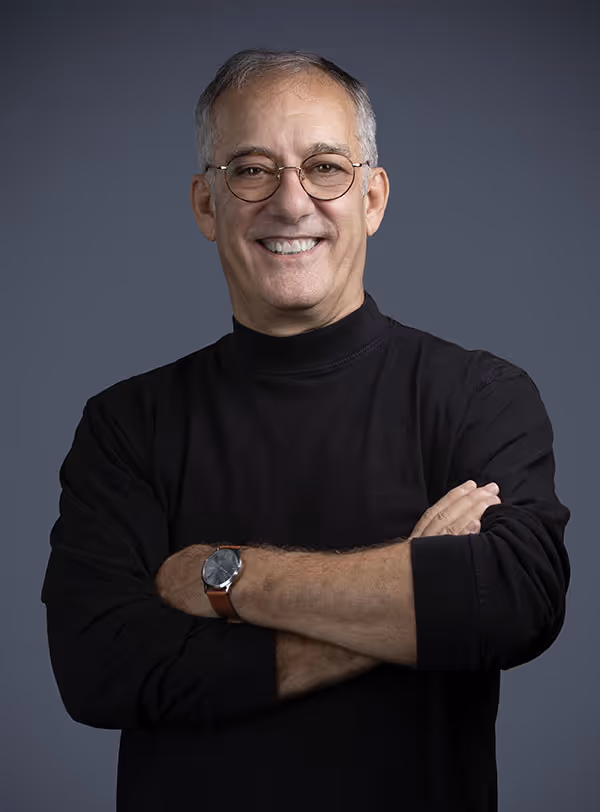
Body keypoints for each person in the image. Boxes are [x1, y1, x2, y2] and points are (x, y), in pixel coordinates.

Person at [41, 48, 571, 811]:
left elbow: (516, 605)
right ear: (205, 203)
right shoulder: (126, 425)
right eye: (252, 170)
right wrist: (417, 594)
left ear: (374, 198)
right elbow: (102, 671)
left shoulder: (478, 396)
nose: (291, 204)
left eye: (326, 168)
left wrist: (229, 579)